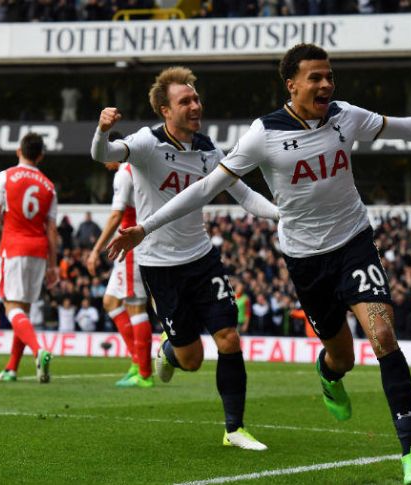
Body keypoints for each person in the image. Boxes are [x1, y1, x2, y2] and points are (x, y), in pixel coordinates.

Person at [106, 43, 411, 484]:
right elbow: (207, 188)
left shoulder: (345, 115)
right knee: (340, 355)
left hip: (354, 242)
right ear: (292, 85)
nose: (327, 84)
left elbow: (406, 128)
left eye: (329, 76)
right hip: (305, 260)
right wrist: (146, 227)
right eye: (316, 78)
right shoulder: (262, 134)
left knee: (383, 334)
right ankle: (329, 374)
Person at [90, 66, 280, 450]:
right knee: (190, 359)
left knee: (229, 338)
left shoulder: (209, 149)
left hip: (202, 257)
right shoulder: (146, 143)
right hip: (159, 265)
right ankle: (168, 351)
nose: (196, 105)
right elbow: (103, 153)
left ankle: (234, 429)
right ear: (165, 110)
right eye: (185, 101)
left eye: (196, 98)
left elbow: (243, 195)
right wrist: (101, 128)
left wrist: (282, 214)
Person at [0, 133, 57, 383]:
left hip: (13, 248)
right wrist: (54, 264)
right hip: (38, 251)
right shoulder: (48, 186)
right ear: (41, 156)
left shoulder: (5, 177)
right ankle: (12, 368)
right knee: (22, 309)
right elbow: (51, 230)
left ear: (18, 151)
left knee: (11, 307)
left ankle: (39, 350)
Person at [87, 131, 155, 388]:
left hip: (131, 245)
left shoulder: (124, 173)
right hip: (131, 243)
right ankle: (137, 361)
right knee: (110, 302)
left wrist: (96, 249)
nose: (103, 161)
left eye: (105, 153)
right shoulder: (134, 169)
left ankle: (145, 373)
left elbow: (116, 216)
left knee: (136, 306)